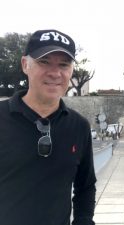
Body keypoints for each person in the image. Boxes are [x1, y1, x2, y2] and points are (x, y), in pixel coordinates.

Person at [0, 29, 97, 225]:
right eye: (44, 62)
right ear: (25, 64)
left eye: (64, 64)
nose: (55, 73)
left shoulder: (79, 126)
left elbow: (85, 186)